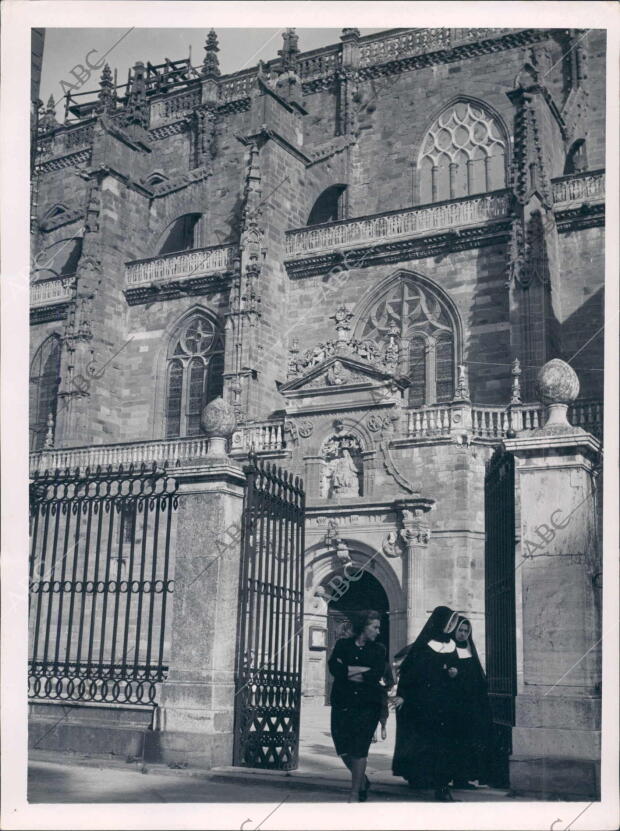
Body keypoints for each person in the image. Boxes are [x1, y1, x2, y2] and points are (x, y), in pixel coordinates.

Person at [391, 605, 461, 801]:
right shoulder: (423, 646)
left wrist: (454, 672)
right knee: (426, 744)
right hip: (423, 704)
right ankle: (422, 777)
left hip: (446, 704)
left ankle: (442, 785)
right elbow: (409, 674)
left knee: (444, 745)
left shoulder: (452, 645)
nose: (451, 627)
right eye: (449, 622)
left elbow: (456, 669)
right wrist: (403, 695)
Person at [328, 610, 387, 802]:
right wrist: (360, 671)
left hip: (367, 704)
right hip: (342, 703)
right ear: (363, 627)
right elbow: (334, 669)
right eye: (375, 627)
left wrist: (348, 671)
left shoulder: (379, 649)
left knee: (359, 748)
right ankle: (362, 780)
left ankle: (355, 793)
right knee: (343, 748)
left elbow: (375, 674)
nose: (378, 631)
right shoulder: (343, 645)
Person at [449, 615, 495, 789]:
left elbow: (476, 675)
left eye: (466, 631)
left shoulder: (469, 648)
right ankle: (455, 777)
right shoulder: (448, 648)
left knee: (469, 742)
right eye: (460, 630)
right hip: (455, 704)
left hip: (471, 704)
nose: (463, 634)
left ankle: (465, 777)